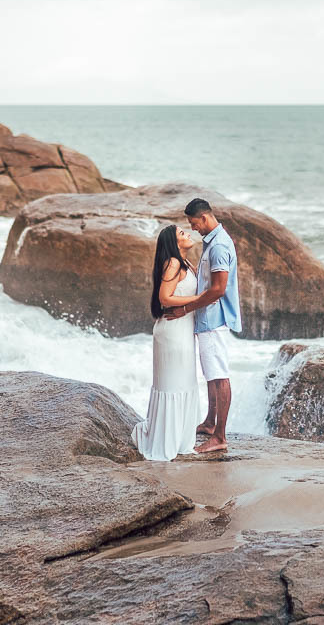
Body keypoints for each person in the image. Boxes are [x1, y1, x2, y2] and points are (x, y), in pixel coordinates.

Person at [164, 198, 242, 454]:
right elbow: (208, 280)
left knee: (219, 376)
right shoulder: (213, 242)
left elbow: (218, 289)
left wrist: (186, 308)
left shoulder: (218, 246)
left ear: (204, 218)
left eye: (193, 223)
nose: (193, 228)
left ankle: (220, 436)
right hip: (208, 319)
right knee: (211, 374)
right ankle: (210, 423)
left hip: (214, 320)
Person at [130, 224, 202, 461]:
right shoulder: (173, 263)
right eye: (182, 233)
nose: (187, 234)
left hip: (181, 330)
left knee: (183, 382)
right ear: (173, 242)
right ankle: (165, 441)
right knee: (173, 385)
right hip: (173, 332)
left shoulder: (184, 262)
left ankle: (178, 439)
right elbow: (164, 297)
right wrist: (198, 299)